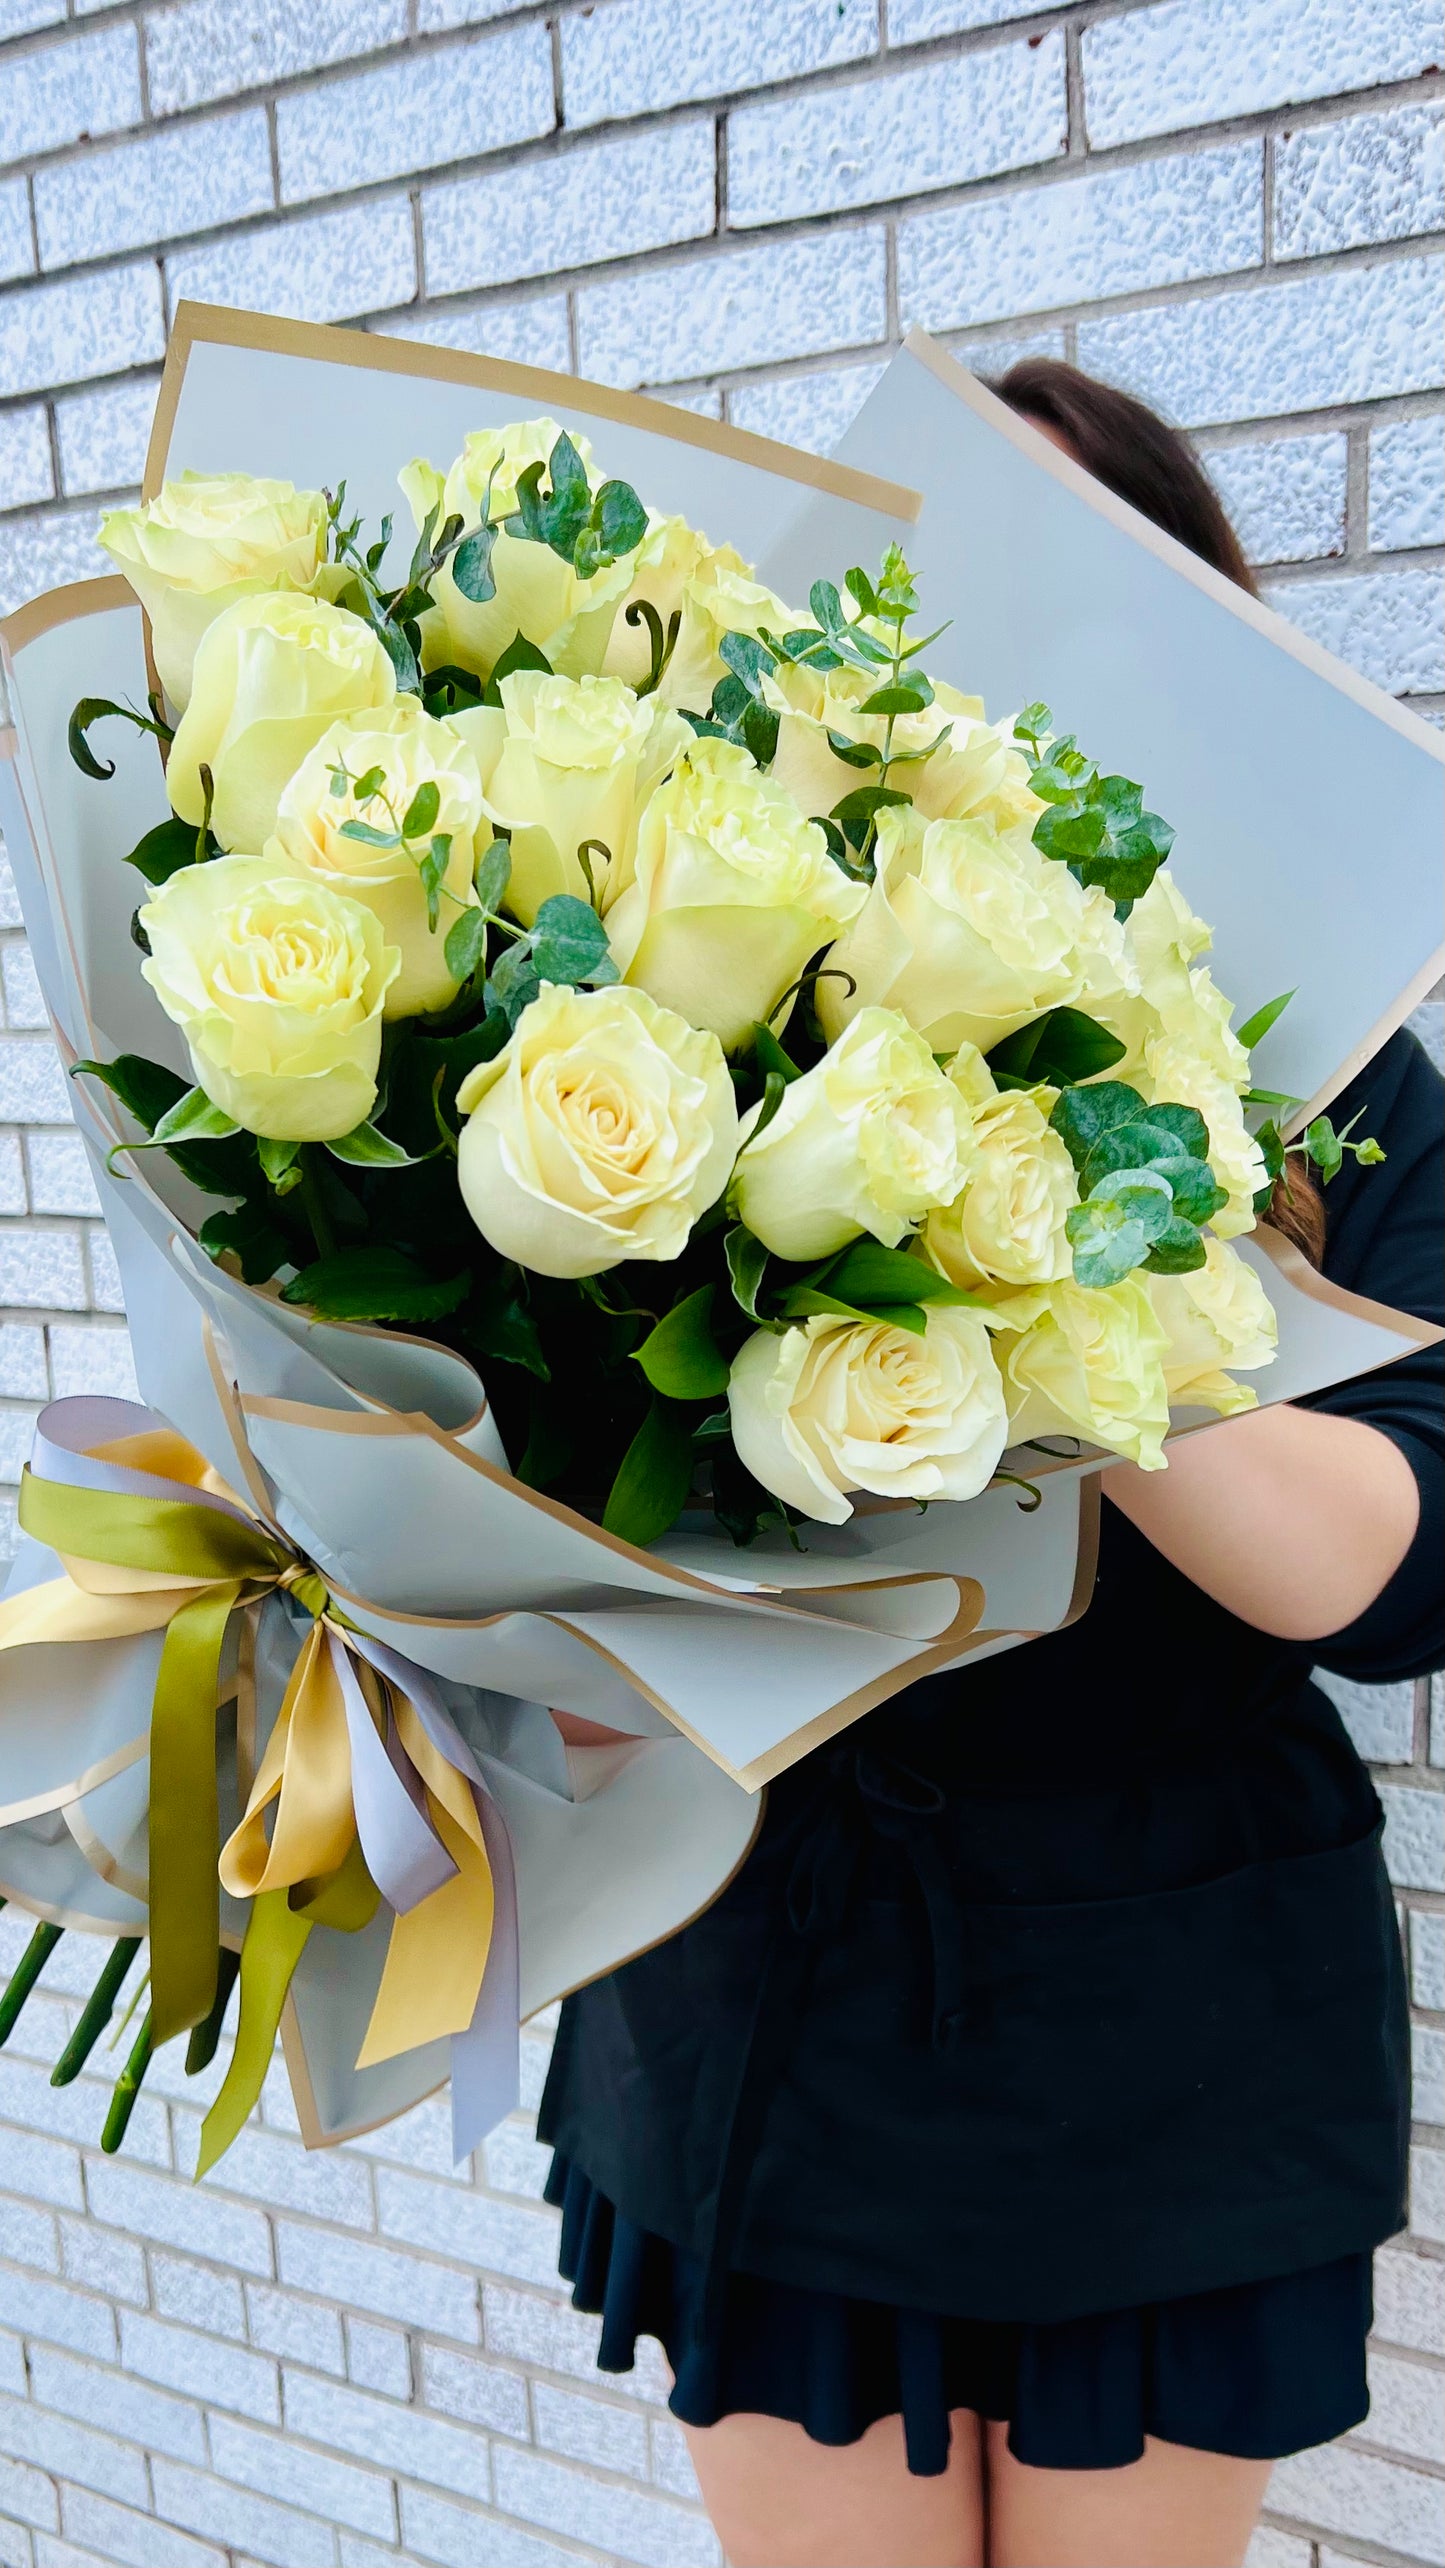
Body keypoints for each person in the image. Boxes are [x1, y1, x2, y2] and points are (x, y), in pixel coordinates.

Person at [537, 360, 1445, 2568]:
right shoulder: (680, 1024)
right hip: (779, 1983)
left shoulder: (1336, 1074)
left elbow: (1393, 1583)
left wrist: (1075, 1186)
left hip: (1167, 2013)